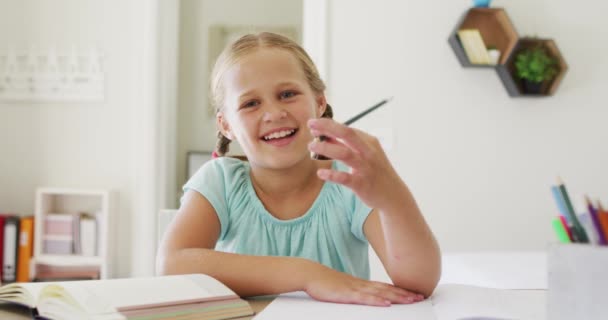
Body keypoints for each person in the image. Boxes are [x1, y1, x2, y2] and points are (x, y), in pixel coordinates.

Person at [156, 32, 441, 306]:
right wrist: (305, 274)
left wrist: (393, 196)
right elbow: (172, 264)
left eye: (288, 94)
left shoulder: (349, 182)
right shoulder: (220, 181)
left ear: (319, 103)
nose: (274, 114)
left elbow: (418, 284)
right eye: (251, 103)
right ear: (226, 125)